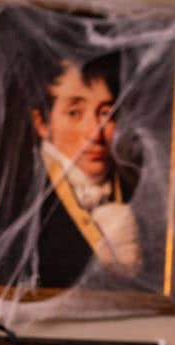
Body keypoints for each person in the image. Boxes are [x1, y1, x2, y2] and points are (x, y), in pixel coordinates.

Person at [29, 53, 141, 289]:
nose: (94, 133)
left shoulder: (139, 192)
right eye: (74, 113)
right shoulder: (20, 200)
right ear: (42, 123)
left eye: (106, 114)